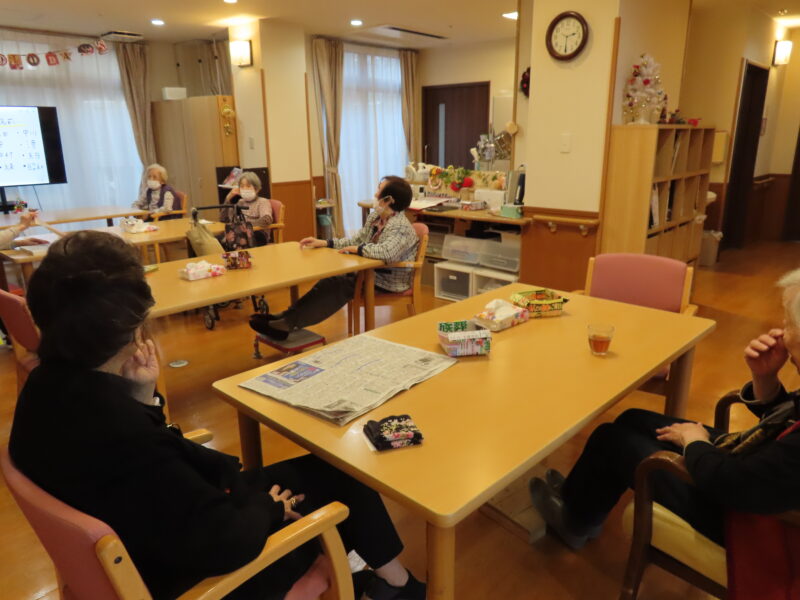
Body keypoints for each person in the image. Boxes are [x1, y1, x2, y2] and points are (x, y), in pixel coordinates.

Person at [9, 230, 426, 600]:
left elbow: (149, 480)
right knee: (341, 482)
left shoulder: (42, 389)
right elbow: (226, 544)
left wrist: (141, 397)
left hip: (153, 538)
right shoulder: (126, 439)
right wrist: (268, 509)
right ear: (132, 327)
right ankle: (400, 587)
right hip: (203, 571)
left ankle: (393, 581)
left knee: (329, 471)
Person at [530, 268, 800, 554]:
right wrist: (765, 378)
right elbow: (783, 424)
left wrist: (695, 442)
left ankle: (574, 522)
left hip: (742, 520)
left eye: (789, 322)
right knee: (632, 418)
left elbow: (734, 486)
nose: (781, 330)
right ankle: (580, 500)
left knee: (610, 439)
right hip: (753, 471)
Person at [250, 176, 418, 340]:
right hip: (371, 272)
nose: (375, 194)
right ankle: (285, 317)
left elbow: (387, 253)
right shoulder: (376, 218)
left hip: (388, 281)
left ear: (389, 200)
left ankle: (287, 323)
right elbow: (355, 240)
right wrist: (325, 242)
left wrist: (359, 249)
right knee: (331, 279)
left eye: (379, 191)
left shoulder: (400, 226)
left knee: (340, 284)